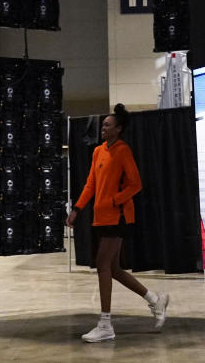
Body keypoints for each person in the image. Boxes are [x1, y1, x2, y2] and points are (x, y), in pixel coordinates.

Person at [66, 104, 169, 343]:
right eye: (102, 124)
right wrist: (77, 209)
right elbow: (90, 184)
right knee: (113, 269)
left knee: (103, 264)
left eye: (107, 125)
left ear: (118, 129)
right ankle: (155, 299)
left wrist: (115, 200)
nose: (103, 127)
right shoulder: (98, 152)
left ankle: (105, 324)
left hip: (119, 217)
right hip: (100, 217)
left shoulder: (123, 151)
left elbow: (136, 184)